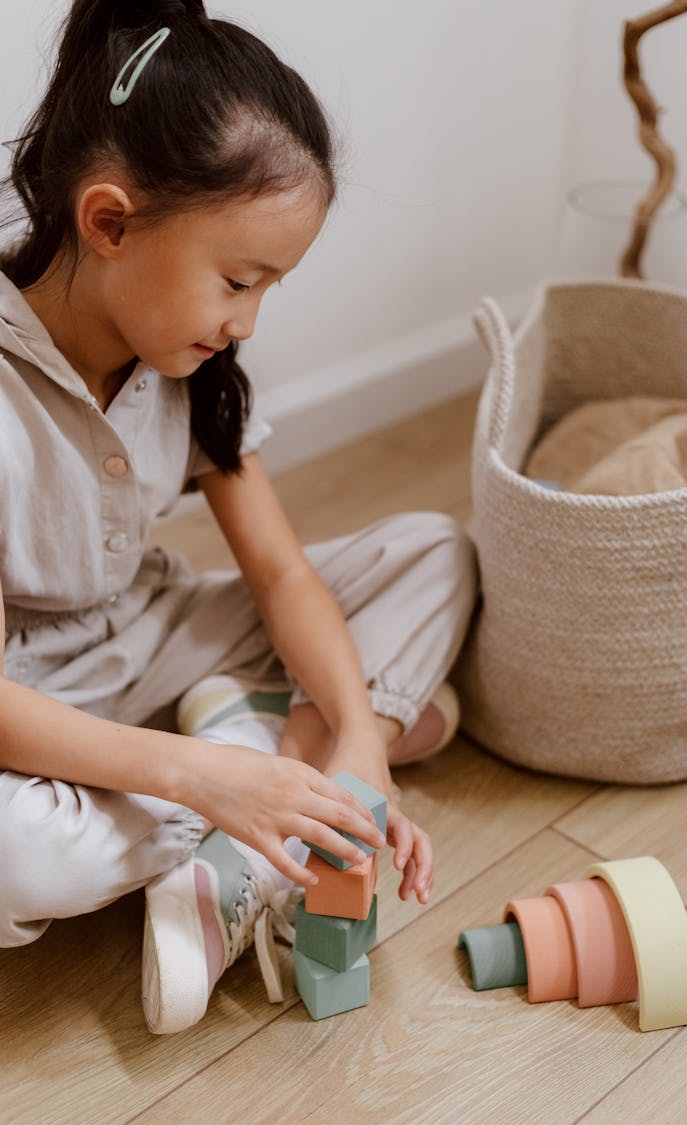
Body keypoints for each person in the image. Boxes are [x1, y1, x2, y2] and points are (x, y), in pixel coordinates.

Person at [0, 0, 477, 1034]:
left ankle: (273, 782)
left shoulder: (185, 361)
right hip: (22, 697)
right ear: (109, 222)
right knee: (18, 859)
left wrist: (357, 739)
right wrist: (206, 774)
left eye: (269, 289)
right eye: (237, 281)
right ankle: (249, 780)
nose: (246, 322)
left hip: (150, 635)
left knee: (435, 553)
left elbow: (281, 574)